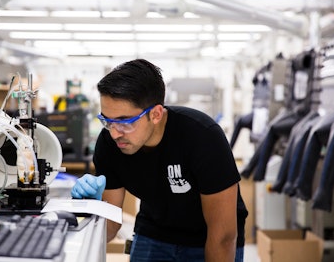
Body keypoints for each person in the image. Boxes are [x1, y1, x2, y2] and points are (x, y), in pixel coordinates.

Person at [71, 59, 248, 262]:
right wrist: (93, 210)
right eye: (107, 121)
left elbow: (223, 236)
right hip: (154, 232)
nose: (114, 133)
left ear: (155, 114)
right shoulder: (110, 143)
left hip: (208, 236)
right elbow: (111, 229)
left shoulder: (202, 137)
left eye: (124, 122)